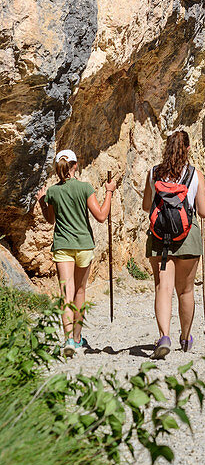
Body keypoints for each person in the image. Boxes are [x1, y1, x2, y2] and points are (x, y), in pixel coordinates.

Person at [36, 149, 116, 357]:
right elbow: (101, 215)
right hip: (83, 245)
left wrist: (42, 201)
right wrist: (109, 192)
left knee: (66, 293)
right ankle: (79, 339)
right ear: (75, 165)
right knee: (80, 292)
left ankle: (68, 339)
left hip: (62, 245)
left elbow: (51, 220)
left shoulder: (52, 192)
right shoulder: (85, 188)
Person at [142, 128, 205, 358]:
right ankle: (185, 338)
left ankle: (164, 337)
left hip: (160, 237)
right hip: (187, 237)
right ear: (188, 149)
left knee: (163, 287)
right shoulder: (195, 175)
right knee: (186, 290)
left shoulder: (153, 173)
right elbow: (202, 211)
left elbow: (145, 206)